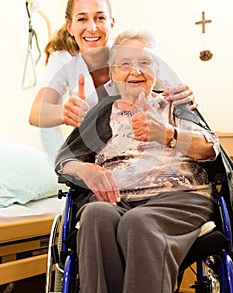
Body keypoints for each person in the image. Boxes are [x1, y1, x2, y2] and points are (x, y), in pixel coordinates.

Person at [55, 30, 220, 293]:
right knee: (95, 214)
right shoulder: (101, 113)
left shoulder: (175, 102)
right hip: (115, 198)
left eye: (145, 62)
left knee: (138, 222)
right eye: (125, 64)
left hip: (177, 199)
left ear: (157, 69)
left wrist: (168, 135)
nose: (136, 71)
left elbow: (211, 149)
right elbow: (65, 159)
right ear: (112, 72)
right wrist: (84, 169)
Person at [29, 0, 197, 132]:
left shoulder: (127, 52)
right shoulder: (64, 58)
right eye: (82, 19)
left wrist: (184, 97)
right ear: (70, 27)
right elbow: (36, 113)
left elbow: (168, 89)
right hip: (96, 143)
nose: (92, 28)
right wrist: (64, 112)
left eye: (100, 18)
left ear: (112, 23)